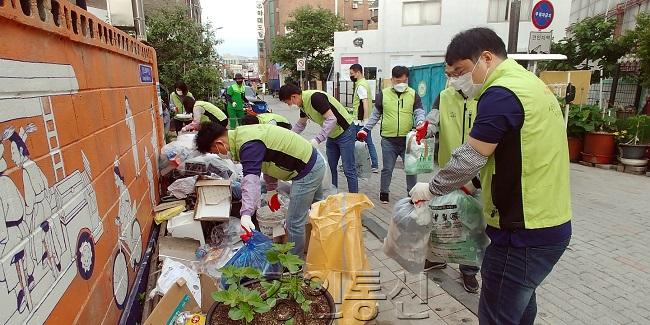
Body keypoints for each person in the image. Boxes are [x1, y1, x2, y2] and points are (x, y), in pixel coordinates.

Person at [409, 28, 572, 325]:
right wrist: (473, 184)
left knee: (497, 315)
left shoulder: (501, 94)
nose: (457, 80)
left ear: (485, 58)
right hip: (549, 223)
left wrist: (430, 189)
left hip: (521, 233)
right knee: (520, 306)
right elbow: (517, 153)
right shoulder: (529, 84)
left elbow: (471, 156)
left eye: (460, 71)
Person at [195, 122, 325, 258]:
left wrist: (246, 214)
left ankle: (295, 263)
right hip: (311, 161)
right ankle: (324, 245)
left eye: (214, 151)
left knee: (294, 222)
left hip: (308, 170)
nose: (217, 154)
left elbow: (250, 182)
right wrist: (271, 190)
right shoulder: (243, 136)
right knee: (319, 211)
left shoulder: (248, 145)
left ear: (219, 144)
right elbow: (269, 161)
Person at [418, 87, 481, 293]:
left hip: (479, 174)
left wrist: (476, 182)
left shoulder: (485, 96)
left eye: (457, 70)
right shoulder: (443, 96)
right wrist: (424, 129)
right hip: (450, 173)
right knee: (442, 219)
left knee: (473, 225)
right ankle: (437, 258)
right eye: (450, 72)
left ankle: (469, 270)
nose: (454, 76)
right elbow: (432, 122)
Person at [357, 66, 425, 204]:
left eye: (404, 81)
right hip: (388, 140)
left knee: (411, 169)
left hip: (408, 140)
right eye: (398, 81)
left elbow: (419, 111)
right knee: (387, 168)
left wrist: (420, 123)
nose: (401, 84)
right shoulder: (383, 94)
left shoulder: (413, 94)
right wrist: (365, 129)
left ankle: (411, 194)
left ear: (407, 80)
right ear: (392, 79)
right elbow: (375, 115)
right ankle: (384, 192)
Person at [279, 84, 358, 193]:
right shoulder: (303, 105)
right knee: (330, 168)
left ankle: (354, 199)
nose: (289, 105)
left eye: (288, 102)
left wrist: (318, 139)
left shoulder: (315, 98)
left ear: (294, 97)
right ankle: (332, 197)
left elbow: (331, 119)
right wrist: (289, 136)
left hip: (345, 132)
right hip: (332, 135)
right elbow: (301, 124)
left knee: (348, 168)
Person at [349, 64, 379, 173]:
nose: (351, 76)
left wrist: (365, 123)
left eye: (352, 73)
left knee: (353, 143)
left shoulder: (361, 85)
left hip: (360, 122)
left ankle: (352, 165)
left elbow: (365, 103)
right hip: (362, 120)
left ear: (358, 72)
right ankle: (374, 164)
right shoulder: (364, 83)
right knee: (368, 143)